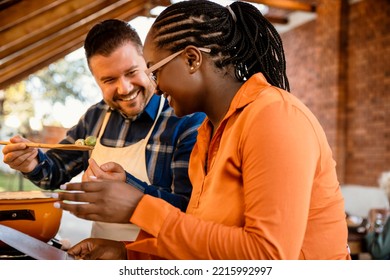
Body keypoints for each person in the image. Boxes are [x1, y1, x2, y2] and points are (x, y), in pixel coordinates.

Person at [55, 0, 351, 260]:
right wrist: (127, 252)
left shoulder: (274, 116)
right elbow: (204, 242)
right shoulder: (208, 135)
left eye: (155, 71)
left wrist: (139, 206)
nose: (155, 88)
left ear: (192, 59)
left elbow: (267, 256)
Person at [2, 19, 205, 241]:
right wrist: (31, 163)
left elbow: (189, 210)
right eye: (109, 79)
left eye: (132, 72)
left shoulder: (184, 119)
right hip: (100, 254)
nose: (124, 88)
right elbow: (54, 173)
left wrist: (128, 188)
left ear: (148, 63)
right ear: (96, 82)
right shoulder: (96, 116)